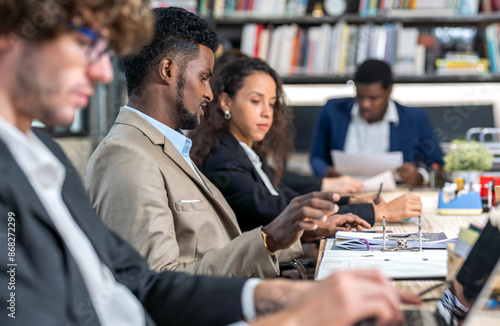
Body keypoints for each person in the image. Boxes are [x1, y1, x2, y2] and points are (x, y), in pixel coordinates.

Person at [0, 2, 421, 326]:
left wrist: (277, 294)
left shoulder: (47, 155)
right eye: (84, 44)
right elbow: (149, 296)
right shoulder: (124, 158)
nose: (100, 72)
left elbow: (142, 283)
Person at [84, 7, 370, 277]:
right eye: (204, 77)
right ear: (168, 70)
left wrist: (299, 233)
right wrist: (268, 240)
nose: (208, 93)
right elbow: (156, 283)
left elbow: (215, 248)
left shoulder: (171, 148)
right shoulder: (127, 157)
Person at [189, 57, 423, 231]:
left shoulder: (242, 151)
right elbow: (282, 209)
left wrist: (351, 200)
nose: (266, 113)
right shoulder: (224, 160)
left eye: (271, 104)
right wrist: (378, 212)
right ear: (226, 102)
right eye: (255, 101)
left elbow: (287, 193)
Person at [310, 59, 444, 186]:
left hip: (393, 196)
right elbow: (316, 158)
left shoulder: (416, 118)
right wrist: (326, 172)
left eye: (373, 98)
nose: (365, 105)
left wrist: (419, 177)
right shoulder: (333, 111)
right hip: (343, 194)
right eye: (360, 97)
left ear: (389, 91)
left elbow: (437, 165)